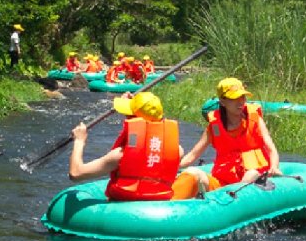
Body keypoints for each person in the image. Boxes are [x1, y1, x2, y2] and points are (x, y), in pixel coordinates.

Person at [69, 92, 201, 201]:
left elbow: (75, 173)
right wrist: (134, 104)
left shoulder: (119, 156)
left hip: (123, 213)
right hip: (159, 206)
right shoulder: (177, 151)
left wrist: (79, 141)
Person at [179, 77, 282, 191]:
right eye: (234, 98)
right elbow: (192, 155)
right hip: (223, 183)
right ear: (223, 102)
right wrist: (173, 167)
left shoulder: (254, 119)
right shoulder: (215, 127)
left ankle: (236, 198)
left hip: (254, 177)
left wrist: (274, 167)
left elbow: (271, 149)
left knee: (251, 175)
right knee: (193, 172)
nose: (240, 101)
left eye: (242, 96)